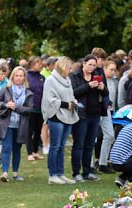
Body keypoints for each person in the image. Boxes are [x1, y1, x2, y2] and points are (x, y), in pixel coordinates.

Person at [69, 54, 107, 182]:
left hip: (95, 114)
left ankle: (87, 172)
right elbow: (73, 93)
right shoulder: (75, 76)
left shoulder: (97, 75)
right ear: (84, 63)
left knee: (90, 144)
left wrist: (102, 88)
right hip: (81, 114)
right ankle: (76, 173)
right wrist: (88, 86)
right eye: (89, 64)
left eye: (94, 65)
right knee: (79, 144)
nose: (91, 67)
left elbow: (106, 94)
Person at [0, 66, 33, 182]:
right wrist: (6, 105)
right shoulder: (6, 89)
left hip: (21, 125)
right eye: (16, 75)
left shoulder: (28, 92)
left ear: (24, 77)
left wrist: (16, 108)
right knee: (6, 147)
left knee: (17, 149)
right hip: (7, 124)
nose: (18, 78)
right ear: (12, 77)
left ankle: (15, 173)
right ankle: (4, 173)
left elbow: (29, 109)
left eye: (21, 76)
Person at [41, 56, 78, 185]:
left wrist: (73, 102)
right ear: (63, 67)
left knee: (62, 147)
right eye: (69, 68)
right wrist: (66, 104)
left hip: (68, 115)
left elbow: (71, 95)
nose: (70, 70)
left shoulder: (67, 80)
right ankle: (53, 174)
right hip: (56, 116)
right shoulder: (50, 80)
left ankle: (61, 174)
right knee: (55, 146)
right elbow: (50, 99)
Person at [98, 58, 121, 174]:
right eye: (111, 69)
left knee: (110, 136)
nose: (113, 72)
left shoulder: (115, 82)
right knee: (96, 137)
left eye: (114, 70)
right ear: (105, 68)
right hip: (98, 109)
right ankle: (93, 163)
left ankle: (103, 162)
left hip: (110, 110)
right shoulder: (99, 79)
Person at [26, 56, 45, 161]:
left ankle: (35, 152)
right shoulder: (27, 76)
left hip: (40, 108)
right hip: (30, 108)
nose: (41, 65)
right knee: (29, 131)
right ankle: (29, 153)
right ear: (32, 64)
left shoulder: (42, 77)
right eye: (39, 63)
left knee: (38, 131)